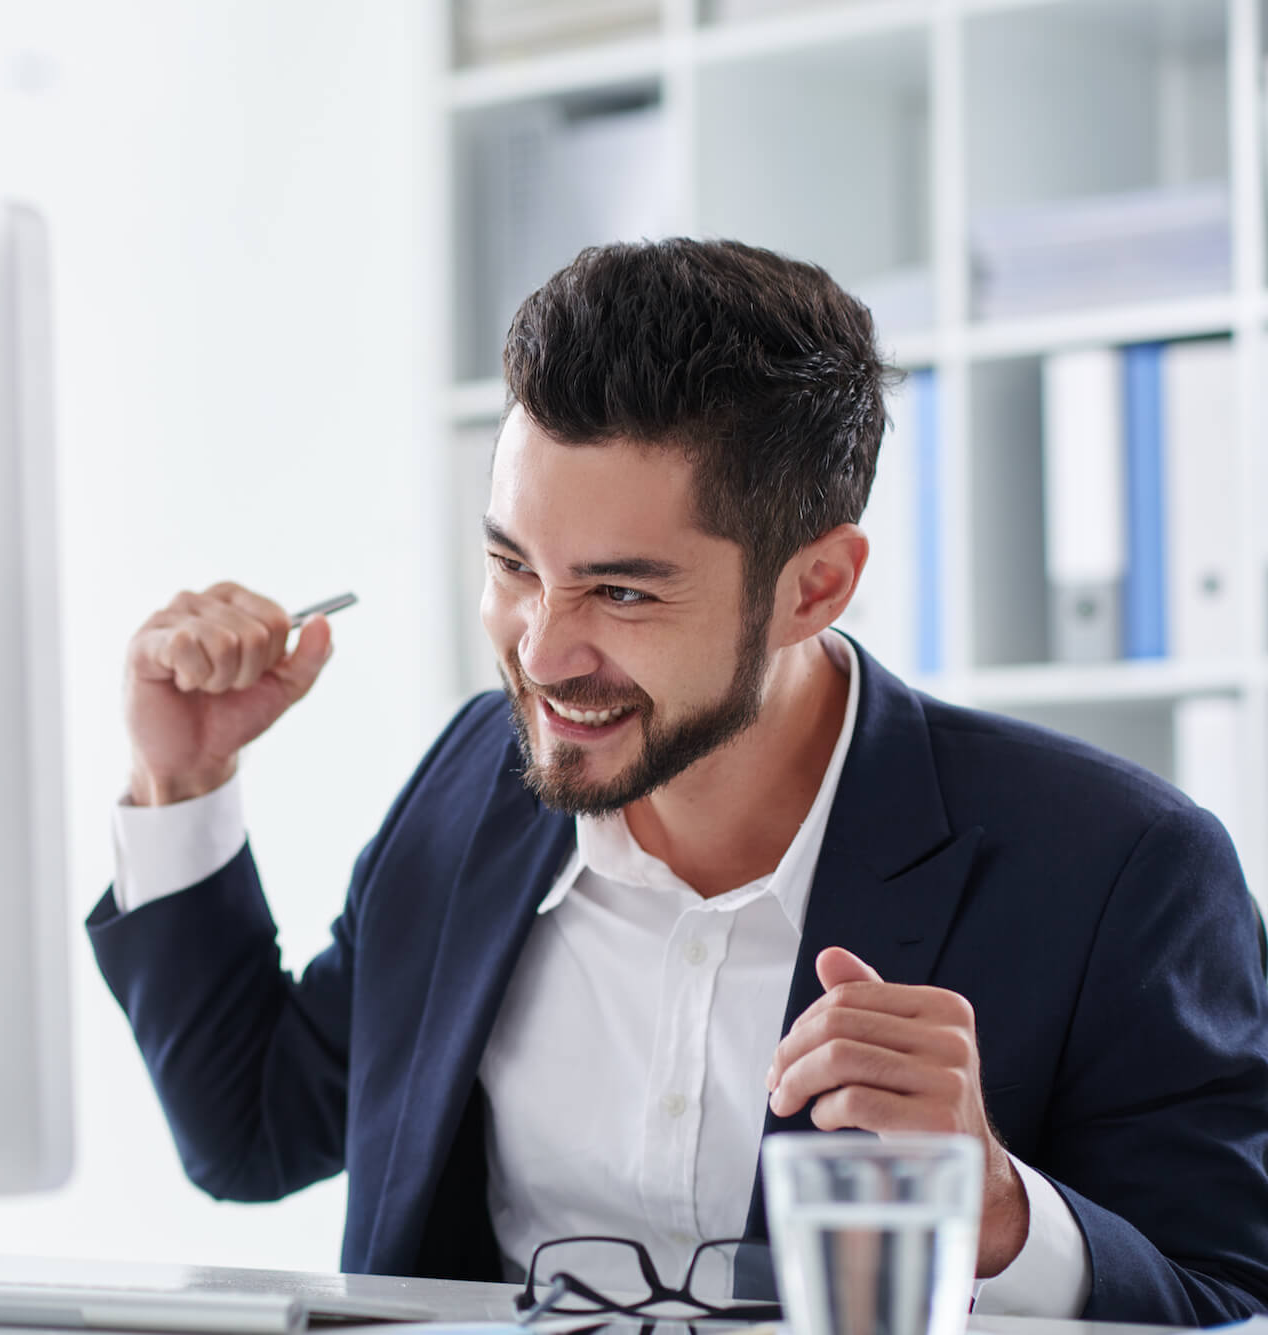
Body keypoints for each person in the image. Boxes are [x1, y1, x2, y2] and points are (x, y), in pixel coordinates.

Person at [86, 239, 1268, 1325]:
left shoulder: (1116, 865)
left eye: (622, 592)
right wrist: (181, 779)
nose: (540, 653)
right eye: (511, 565)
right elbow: (251, 1134)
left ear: (813, 587)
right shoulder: (473, 785)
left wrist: (998, 1211)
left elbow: (1224, 1292)